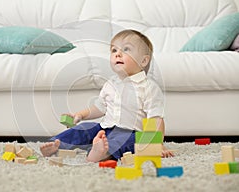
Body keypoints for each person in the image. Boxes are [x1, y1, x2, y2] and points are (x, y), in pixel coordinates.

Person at [40, 29, 174, 162]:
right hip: (104, 128)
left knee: (126, 141)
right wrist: (80, 115)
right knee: (84, 128)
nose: (118, 54)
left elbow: (156, 119)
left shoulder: (149, 88)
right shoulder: (110, 84)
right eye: (114, 50)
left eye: (126, 49)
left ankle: (101, 153)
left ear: (143, 61)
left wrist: (157, 144)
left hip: (131, 132)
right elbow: (99, 108)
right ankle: (56, 144)